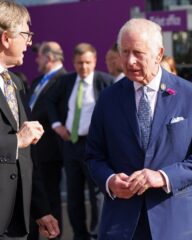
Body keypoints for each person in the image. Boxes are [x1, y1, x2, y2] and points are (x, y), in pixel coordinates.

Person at [85, 18, 192, 240]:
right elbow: (93, 156)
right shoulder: (108, 98)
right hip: (122, 224)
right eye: (124, 52)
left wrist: (163, 176)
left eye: (138, 52)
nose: (130, 60)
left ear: (159, 53)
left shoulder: (190, 95)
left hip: (176, 224)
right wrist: (110, 181)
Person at [0, 1, 59, 239]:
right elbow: (19, 144)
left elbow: (26, 156)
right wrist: (16, 141)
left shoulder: (15, 83)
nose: (30, 42)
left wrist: (41, 209)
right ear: (5, 38)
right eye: (25, 34)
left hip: (17, 225)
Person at [47, 43, 113, 240]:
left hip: (94, 147)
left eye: (87, 63)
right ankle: (79, 235)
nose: (83, 67)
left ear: (94, 62)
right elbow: (49, 100)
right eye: (79, 63)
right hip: (71, 145)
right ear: (73, 63)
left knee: (97, 195)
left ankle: (96, 234)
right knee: (74, 195)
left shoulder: (105, 81)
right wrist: (57, 125)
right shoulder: (67, 81)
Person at [27, 41, 67, 240]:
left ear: (49, 58)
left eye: (40, 56)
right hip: (31, 151)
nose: (36, 59)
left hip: (50, 152)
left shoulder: (65, 80)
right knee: (33, 200)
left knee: (50, 200)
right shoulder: (36, 81)